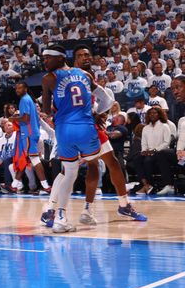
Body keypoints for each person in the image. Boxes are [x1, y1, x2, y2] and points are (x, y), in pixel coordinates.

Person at [71, 45, 146, 223]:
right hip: (78, 126)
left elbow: (107, 100)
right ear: (74, 60)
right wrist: (94, 114)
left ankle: (92, 210)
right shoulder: (73, 76)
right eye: (80, 55)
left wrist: (97, 113)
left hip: (88, 126)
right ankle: (59, 211)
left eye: (87, 54)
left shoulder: (88, 76)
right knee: (87, 168)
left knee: (103, 164)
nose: (85, 58)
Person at [39, 45, 101, 233]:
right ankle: (87, 210)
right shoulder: (85, 75)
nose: (45, 62)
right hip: (86, 127)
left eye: (48, 58)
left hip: (64, 130)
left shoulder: (49, 78)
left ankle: (59, 216)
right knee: (94, 164)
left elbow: (48, 110)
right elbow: (105, 99)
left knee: (69, 172)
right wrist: (97, 113)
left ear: (60, 58)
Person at [12, 82, 51, 193]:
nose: (17, 90)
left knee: (34, 159)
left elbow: (25, 118)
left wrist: (13, 119)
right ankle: (14, 185)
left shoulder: (24, 100)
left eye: (19, 88)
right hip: (32, 132)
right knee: (24, 159)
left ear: (25, 88)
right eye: (16, 88)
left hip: (28, 134)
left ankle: (46, 186)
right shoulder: (29, 99)